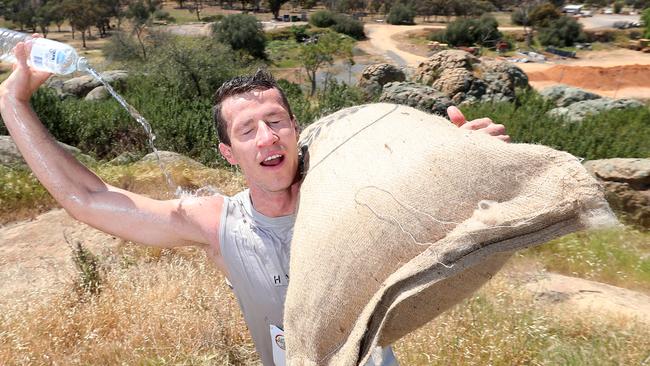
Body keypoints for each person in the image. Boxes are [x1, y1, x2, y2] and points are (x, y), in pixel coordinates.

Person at [0, 39, 509, 366]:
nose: (267, 137)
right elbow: (88, 198)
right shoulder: (217, 224)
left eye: (276, 121)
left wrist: (470, 165)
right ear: (229, 154)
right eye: (248, 130)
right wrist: (13, 103)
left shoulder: (352, 196)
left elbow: (454, 226)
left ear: (296, 131)